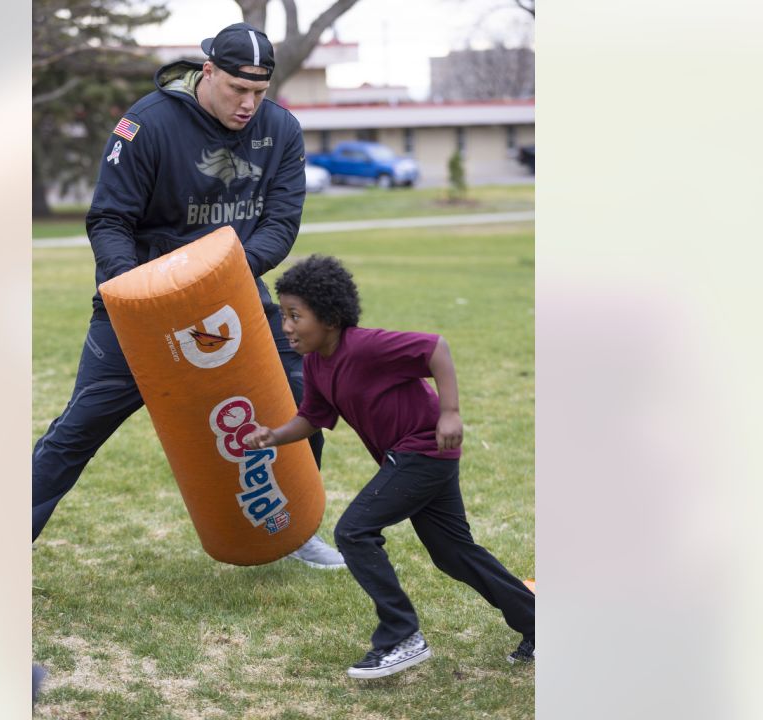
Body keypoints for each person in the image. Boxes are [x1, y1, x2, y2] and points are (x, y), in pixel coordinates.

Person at [32, 22, 344, 569]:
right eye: (236, 90)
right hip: (139, 308)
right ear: (208, 72)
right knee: (78, 430)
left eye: (258, 93)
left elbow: (280, 222)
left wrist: (219, 275)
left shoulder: (282, 131)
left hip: (232, 297)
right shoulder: (146, 124)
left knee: (298, 398)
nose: (248, 104)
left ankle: (291, 530)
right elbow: (109, 219)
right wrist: (138, 292)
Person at [242, 255, 536, 679]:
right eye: (284, 315)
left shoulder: (366, 346)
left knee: (353, 531)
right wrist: (274, 435)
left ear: (329, 316)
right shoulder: (316, 362)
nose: (285, 326)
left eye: (295, 315)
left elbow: (436, 348)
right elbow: (314, 418)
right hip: (419, 456)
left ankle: (401, 635)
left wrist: (450, 412)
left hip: (422, 449)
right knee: (453, 554)